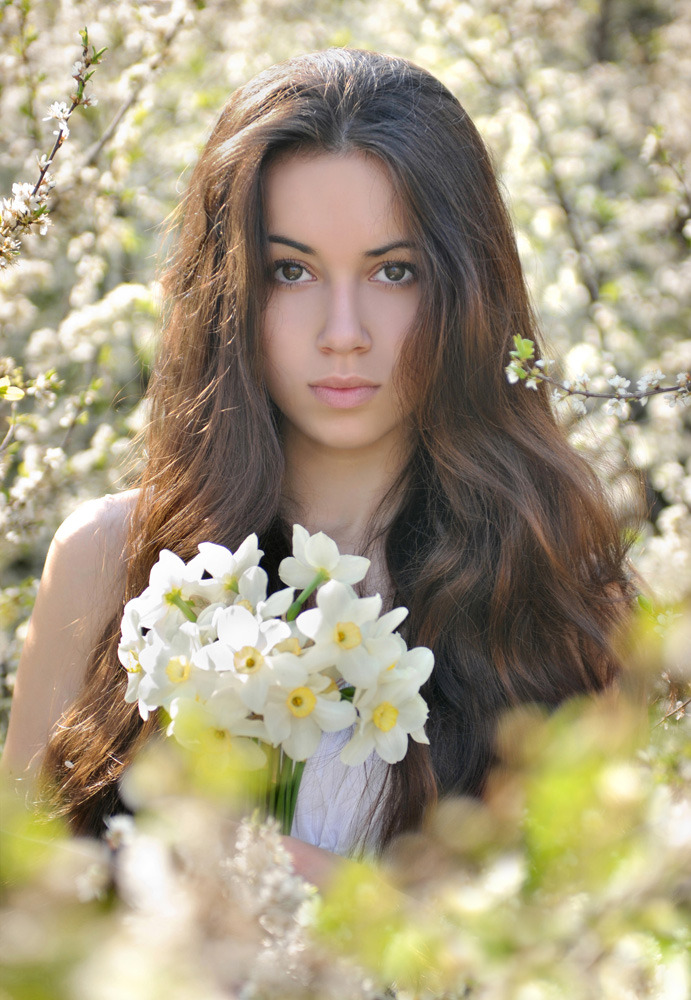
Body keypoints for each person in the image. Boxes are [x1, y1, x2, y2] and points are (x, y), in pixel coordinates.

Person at [2, 48, 633, 878]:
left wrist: (292, 884)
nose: (344, 330)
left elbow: (593, 953)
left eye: (394, 272)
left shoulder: (560, 594)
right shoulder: (109, 561)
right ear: (228, 292)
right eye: (290, 272)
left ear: (466, 290)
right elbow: (21, 928)